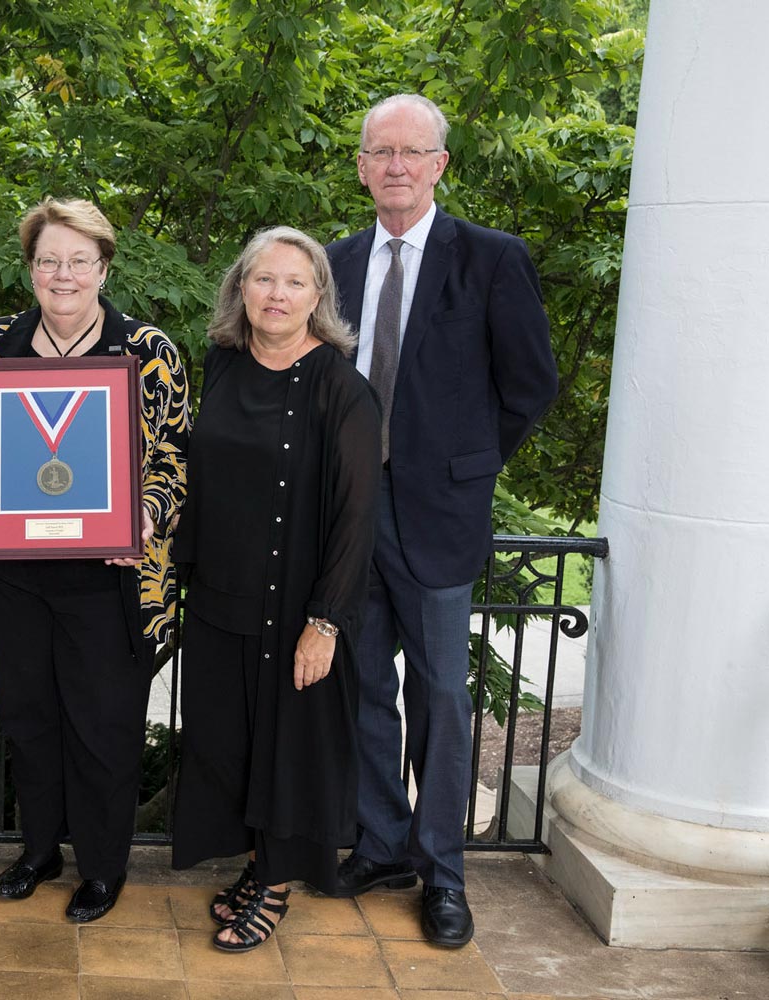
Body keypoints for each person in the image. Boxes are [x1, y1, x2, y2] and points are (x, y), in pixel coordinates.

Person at [326, 93, 559, 947]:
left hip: (439, 517)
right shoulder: (335, 262)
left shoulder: (490, 260)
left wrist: (468, 467)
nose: (393, 164)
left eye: (409, 152)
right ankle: (381, 844)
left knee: (440, 700)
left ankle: (443, 871)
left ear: (438, 167)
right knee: (361, 691)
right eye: (378, 150)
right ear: (360, 165)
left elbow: (529, 386)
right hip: (349, 515)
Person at [0, 198, 190, 923]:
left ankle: (103, 866)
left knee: (102, 725)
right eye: (49, 259)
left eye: (79, 260)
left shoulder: (148, 350)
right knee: (29, 719)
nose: (63, 273)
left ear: (103, 268)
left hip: (111, 578)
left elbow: (175, 458)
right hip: (18, 573)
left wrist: (141, 516)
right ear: (30, 270)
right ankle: (38, 849)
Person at [170, 226, 380, 951]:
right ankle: (258, 864)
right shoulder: (223, 363)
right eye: (264, 280)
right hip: (222, 592)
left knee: (289, 745)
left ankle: (278, 882)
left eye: (294, 282)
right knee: (233, 741)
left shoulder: (343, 389)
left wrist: (325, 621)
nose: (277, 294)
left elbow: (357, 516)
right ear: (241, 289)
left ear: (318, 295)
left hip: (296, 600)